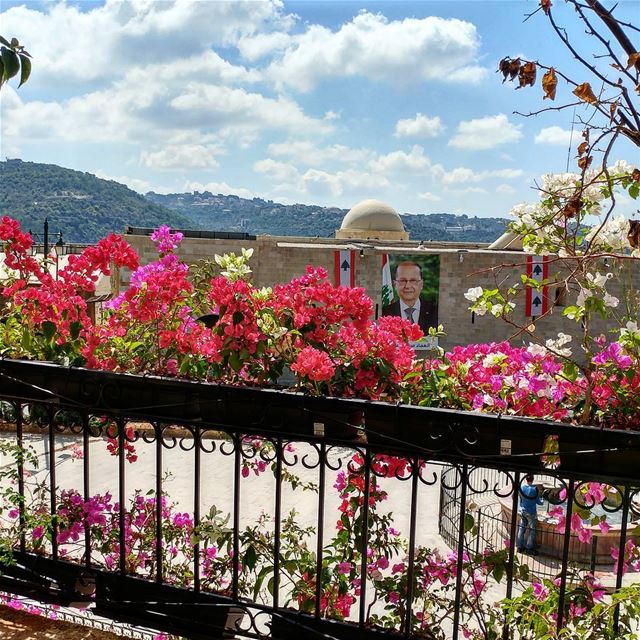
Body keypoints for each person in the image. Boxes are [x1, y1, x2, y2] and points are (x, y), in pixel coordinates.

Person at [382, 261, 438, 332]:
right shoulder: (385, 313)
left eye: (413, 280)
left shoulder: (435, 312)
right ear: (395, 284)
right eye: (403, 280)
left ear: (421, 284)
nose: (407, 286)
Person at [516, 474, 543, 555]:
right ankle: (529, 547)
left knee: (521, 528)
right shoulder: (534, 490)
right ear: (533, 479)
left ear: (526, 479)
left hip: (522, 511)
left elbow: (520, 497)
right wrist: (543, 499)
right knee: (532, 530)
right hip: (531, 513)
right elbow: (539, 503)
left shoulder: (522, 488)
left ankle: (519, 547)